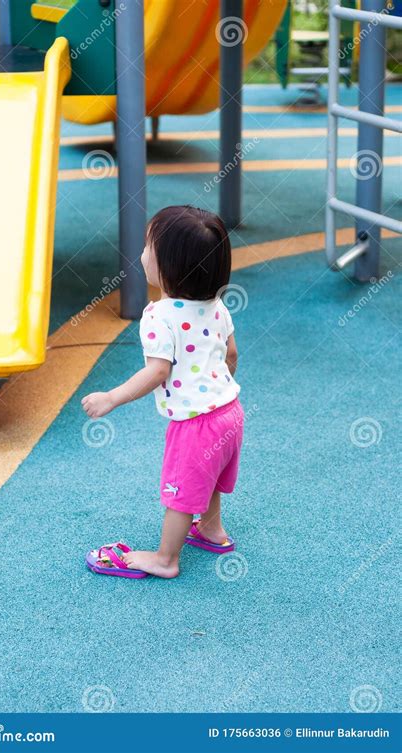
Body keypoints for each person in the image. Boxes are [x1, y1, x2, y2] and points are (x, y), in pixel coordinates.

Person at [82, 205, 244, 579]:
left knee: (181, 492)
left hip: (197, 423)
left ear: (166, 266)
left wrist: (112, 397)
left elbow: (157, 371)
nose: (141, 254)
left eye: (147, 248)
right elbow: (231, 354)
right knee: (211, 476)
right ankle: (212, 529)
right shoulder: (218, 307)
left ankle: (165, 559)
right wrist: (215, 386)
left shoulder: (159, 315)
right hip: (230, 412)